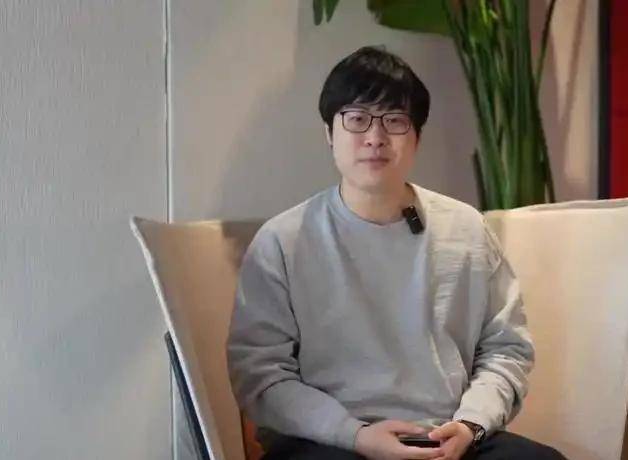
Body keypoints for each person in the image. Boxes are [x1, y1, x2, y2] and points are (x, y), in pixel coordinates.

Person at [227, 46, 566, 460]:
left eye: (395, 120)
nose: (375, 137)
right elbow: (261, 375)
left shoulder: (466, 231)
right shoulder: (282, 241)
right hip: (330, 441)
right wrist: (354, 434)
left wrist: (471, 424)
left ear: (417, 137)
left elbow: (506, 348)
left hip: (446, 436)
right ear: (329, 132)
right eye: (357, 119)